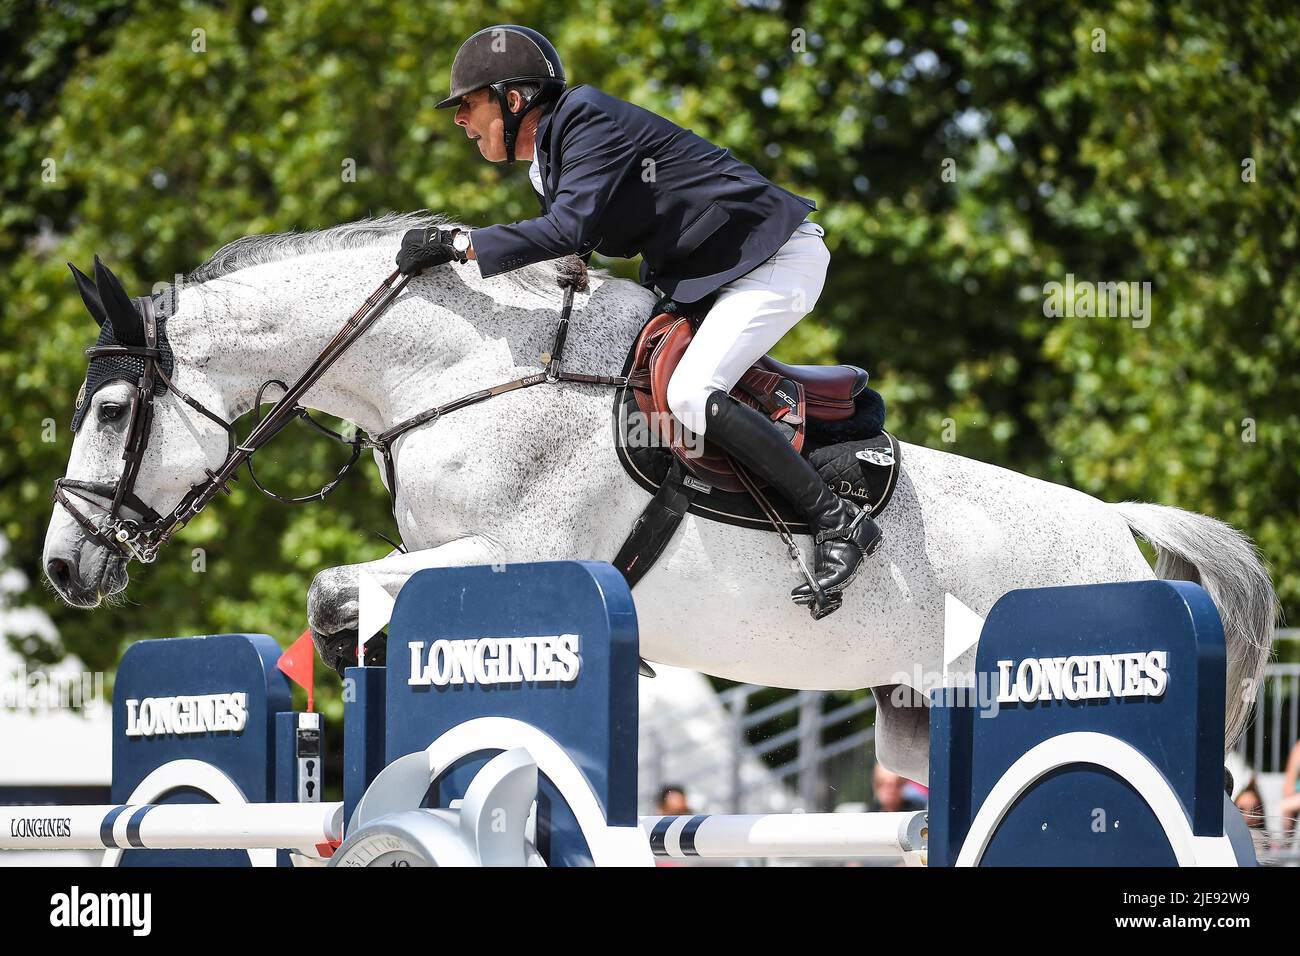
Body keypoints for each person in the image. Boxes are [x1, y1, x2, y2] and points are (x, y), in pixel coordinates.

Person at [396, 24, 882, 615]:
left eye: (467, 105)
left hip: (772, 260)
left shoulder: (586, 116)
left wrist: (458, 243)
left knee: (690, 394)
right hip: (710, 278)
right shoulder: (547, 162)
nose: (459, 121)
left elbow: (566, 231)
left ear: (512, 98)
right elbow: (575, 245)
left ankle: (838, 519)